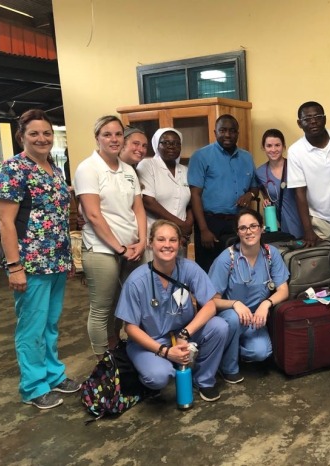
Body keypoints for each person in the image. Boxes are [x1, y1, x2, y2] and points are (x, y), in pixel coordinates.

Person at [0, 109, 80, 409]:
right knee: (31, 326)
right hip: (30, 263)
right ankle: (33, 386)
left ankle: (54, 374)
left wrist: (67, 260)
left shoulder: (53, 168)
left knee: (50, 323)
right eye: (34, 133)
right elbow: (5, 222)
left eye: (46, 133)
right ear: (22, 136)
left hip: (55, 260)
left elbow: (57, 217)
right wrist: (15, 266)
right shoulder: (13, 169)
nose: (42, 138)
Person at [115, 220, 227, 402]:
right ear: (151, 243)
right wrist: (165, 351)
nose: (167, 245)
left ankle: (204, 380)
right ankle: (156, 367)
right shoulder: (137, 281)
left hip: (182, 334)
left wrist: (185, 332)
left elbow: (210, 304)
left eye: (173, 240)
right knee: (158, 377)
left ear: (180, 243)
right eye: (161, 239)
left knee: (220, 326)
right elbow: (130, 328)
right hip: (151, 341)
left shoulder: (189, 269)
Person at [74, 115, 147, 359]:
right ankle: (102, 364)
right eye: (107, 134)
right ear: (97, 138)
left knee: (123, 304)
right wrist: (120, 248)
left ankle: (115, 347)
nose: (113, 139)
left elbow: (138, 209)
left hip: (131, 248)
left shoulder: (128, 170)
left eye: (118, 134)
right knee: (102, 308)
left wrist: (143, 241)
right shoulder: (88, 168)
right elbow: (93, 215)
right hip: (102, 250)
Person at [208, 209, 289, 384]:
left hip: (255, 320)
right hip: (230, 316)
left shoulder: (270, 254)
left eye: (253, 226)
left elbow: (283, 290)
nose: (249, 231)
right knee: (233, 318)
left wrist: (266, 304)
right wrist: (235, 304)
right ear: (237, 232)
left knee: (261, 353)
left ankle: (226, 349)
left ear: (261, 228)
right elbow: (211, 301)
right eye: (243, 228)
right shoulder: (227, 259)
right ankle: (228, 368)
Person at [188, 114, 259, 272]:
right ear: (215, 132)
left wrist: (250, 195)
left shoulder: (247, 157)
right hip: (211, 224)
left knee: (239, 269)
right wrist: (204, 230)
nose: (227, 134)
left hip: (238, 223)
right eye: (223, 130)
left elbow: (255, 187)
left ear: (238, 133)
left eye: (232, 131)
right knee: (210, 271)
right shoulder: (201, 156)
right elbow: (195, 195)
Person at [287, 101, 330, 247]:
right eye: (307, 119)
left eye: (317, 116)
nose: (313, 121)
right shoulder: (295, 151)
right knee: (325, 264)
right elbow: (299, 193)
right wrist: (308, 230)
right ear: (299, 123)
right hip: (319, 220)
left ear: (324, 118)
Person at [137, 128, 193, 258]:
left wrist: (187, 227)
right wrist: (180, 226)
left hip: (179, 239)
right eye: (165, 143)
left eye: (176, 143)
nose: (171, 146)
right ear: (157, 145)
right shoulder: (147, 165)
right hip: (155, 237)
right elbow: (148, 201)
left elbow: (190, 203)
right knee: (154, 275)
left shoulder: (185, 170)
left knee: (177, 276)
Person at [255, 129, 303, 238]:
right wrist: (267, 200)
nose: (273, 149)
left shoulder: (294, 166)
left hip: (302, 222)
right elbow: (266, 193)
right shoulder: (260, 173)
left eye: (277, 145)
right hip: (281, 226)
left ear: (284, 146)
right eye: (269, 146)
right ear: (263, 147)